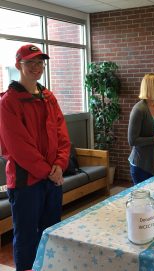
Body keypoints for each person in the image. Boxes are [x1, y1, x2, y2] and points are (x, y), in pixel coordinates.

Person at [0, 44, 71, 271]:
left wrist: (60, 165)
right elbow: (19, 148)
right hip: (26, 183)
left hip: (52, 179)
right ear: (18, 65)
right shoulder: (7, 102)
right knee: (27, 238)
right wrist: (48, 173)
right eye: (30, 62)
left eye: (40, 62)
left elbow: (62, 135)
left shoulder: (48, 97)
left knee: (52, 233)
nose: (36, 67)